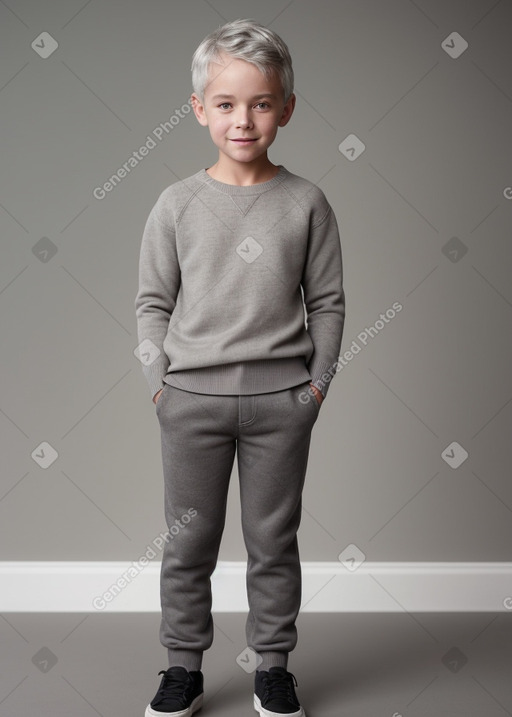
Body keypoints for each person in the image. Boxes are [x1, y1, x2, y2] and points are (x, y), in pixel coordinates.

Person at [135, 17, 345, 717]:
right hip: (189, 401)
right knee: (187, 540)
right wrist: (158, 385)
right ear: (199, 109)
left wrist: (314, 388)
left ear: (285, 107)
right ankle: (182, 666)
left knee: (272, 539)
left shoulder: (307, 202)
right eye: (225, 103)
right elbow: (151, 304)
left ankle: (274, 666)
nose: (244, 119)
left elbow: (330, 304)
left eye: (261, 102)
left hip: (281, 404)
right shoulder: (175, 205)